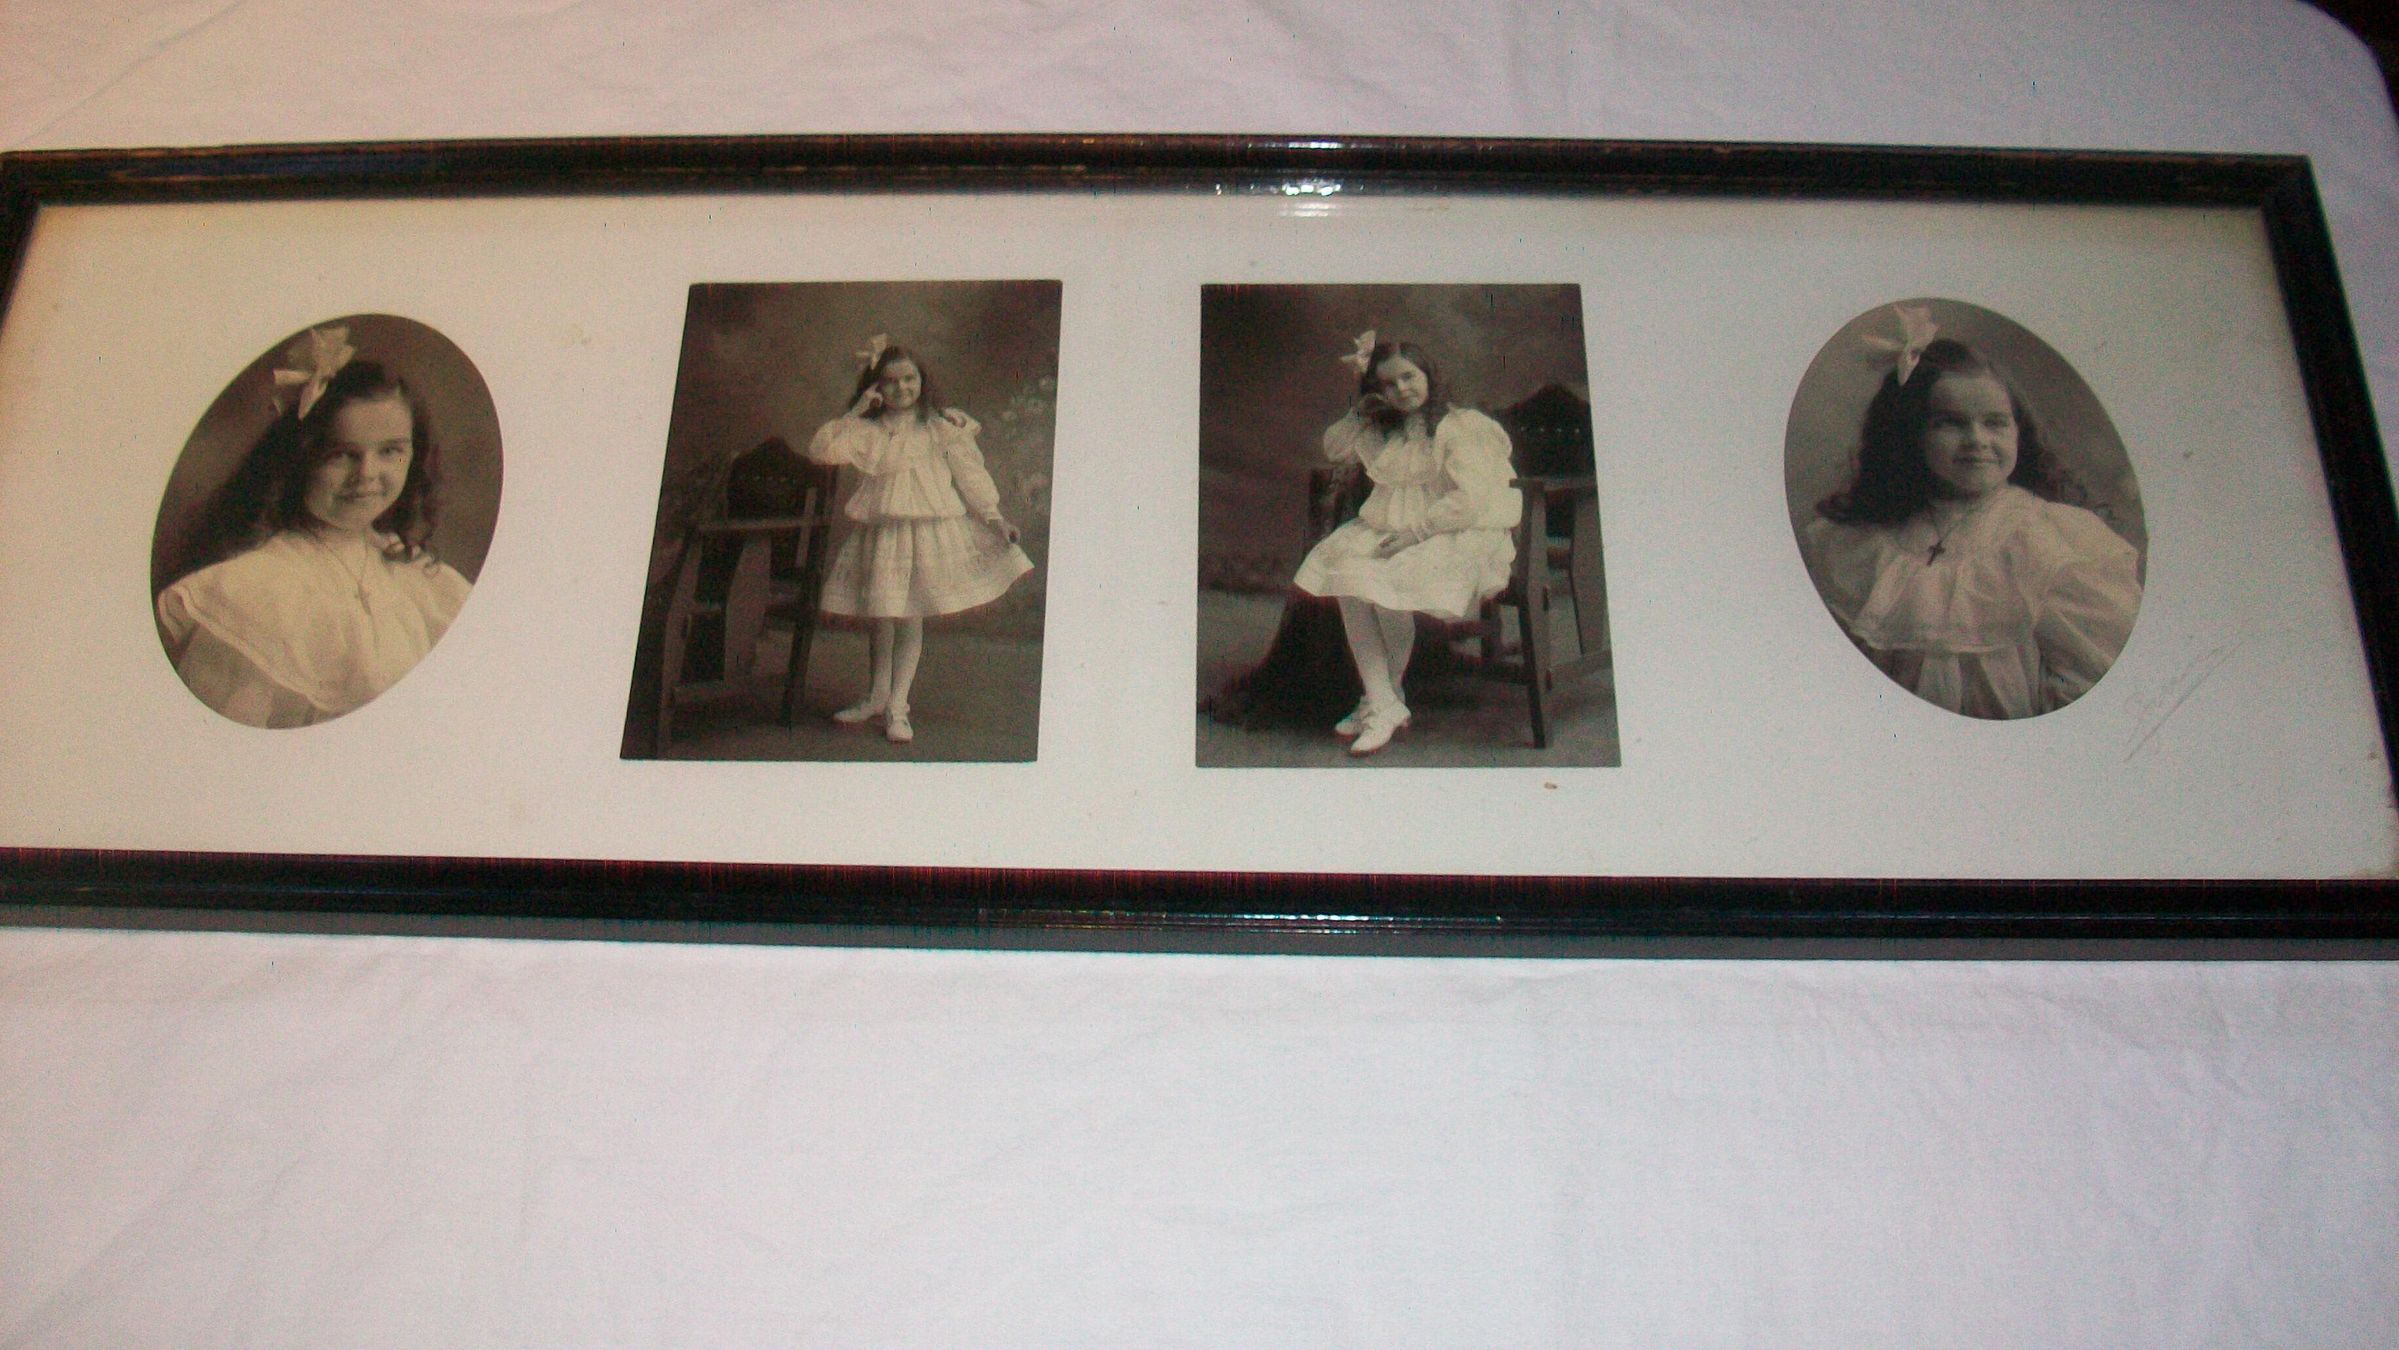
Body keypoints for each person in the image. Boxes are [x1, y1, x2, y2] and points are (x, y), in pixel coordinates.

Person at [1801, 308, 2142, 719]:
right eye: (1951, 423)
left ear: (2018, 431)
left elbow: (2089, 681)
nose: (1976, 440)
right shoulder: (1860, 545)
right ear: (1911, 433)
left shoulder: (2052, 539)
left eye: (1995, 423)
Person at [155, 327, 473, 729]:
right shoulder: (262, 593)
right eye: (341, 454)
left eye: (390, 451)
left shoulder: (422, 582)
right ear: (298, 459)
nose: (367, 474)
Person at [1291, 332, 1521, 755]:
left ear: (1427, 373)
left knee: (1382, 586)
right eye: (1387, 384)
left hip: (1454, 531)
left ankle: (1381, 702)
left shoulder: (1459, 426)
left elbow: (1470, 500)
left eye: (1408, 377)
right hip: (1392, 527)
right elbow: (1334, 448)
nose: (1401, 390)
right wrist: (1360, 412)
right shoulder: (1390, 430)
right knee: (1348, 579)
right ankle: (1383, 700)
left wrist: (1415, 534)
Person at [803, 336, 1033, 744]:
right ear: (876, 386)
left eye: (909, 379)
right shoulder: (869, 430)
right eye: (890, 382)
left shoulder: (942, 426)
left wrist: (994, 517)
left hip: (926, 530)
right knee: (881, 614)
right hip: (884, 532)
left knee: (910, 615)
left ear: (922, 380)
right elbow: (822, 451)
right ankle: (876, 696)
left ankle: (898, 706)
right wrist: (856, 411)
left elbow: (970, 475)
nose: (901, 388)